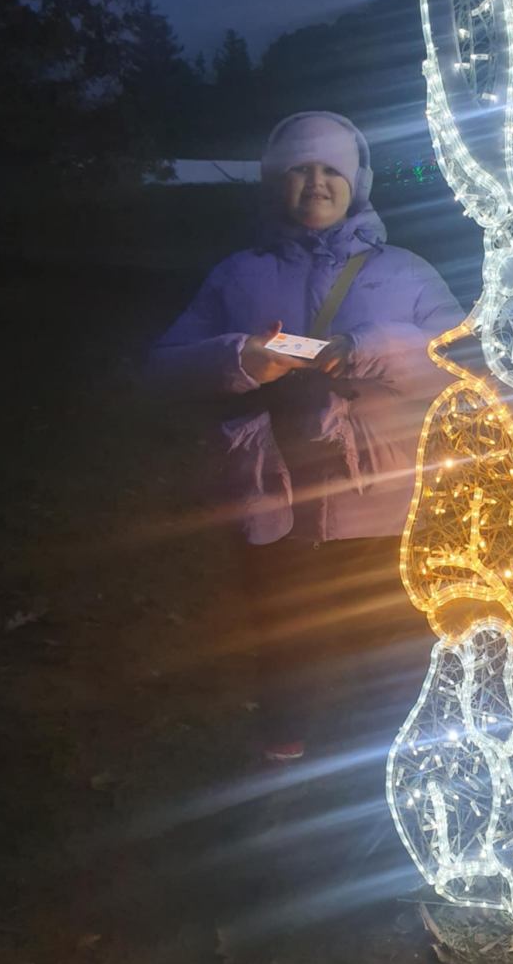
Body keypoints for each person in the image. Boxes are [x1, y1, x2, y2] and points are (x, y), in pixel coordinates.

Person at [148, 112, 464, 763]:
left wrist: (370, 349)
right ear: (275, 181)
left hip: (383, 504)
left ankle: (400, 759)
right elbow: (162, 367)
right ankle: (282, 753)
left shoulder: (406, 273)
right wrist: (239, 358)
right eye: (299, 169)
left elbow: (465, 363)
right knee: (284, 635)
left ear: (357, 183)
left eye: (330, 170)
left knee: (392, 639)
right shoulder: (238, 274)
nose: (315, 183)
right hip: (275, 497)